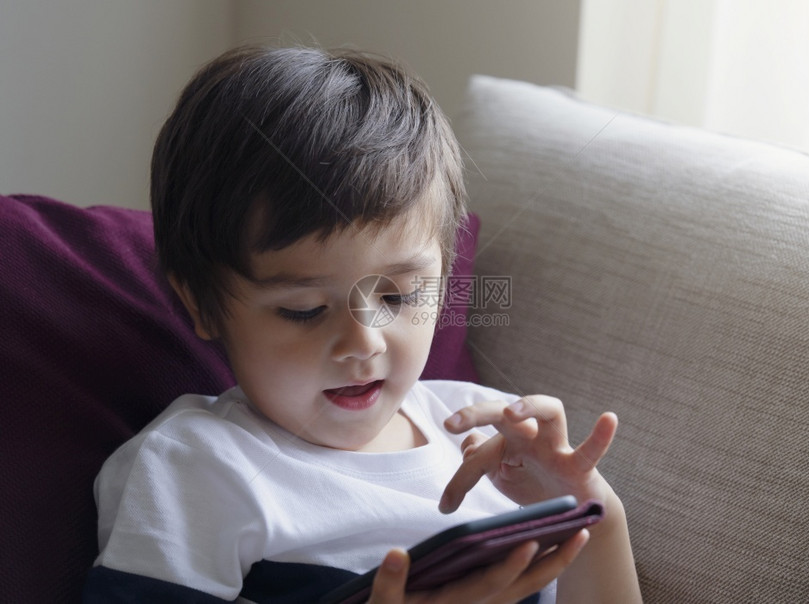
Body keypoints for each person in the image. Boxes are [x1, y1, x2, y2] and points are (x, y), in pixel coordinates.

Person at [85, 45, 642, 603]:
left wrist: (592, 512)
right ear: (203, 305)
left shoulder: (493, 440)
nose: (362, 342)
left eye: (399, 296)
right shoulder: (195, 470)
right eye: (304, 309)